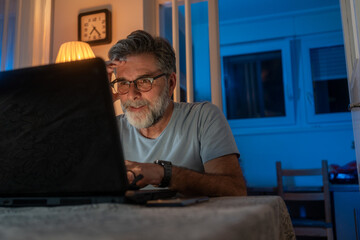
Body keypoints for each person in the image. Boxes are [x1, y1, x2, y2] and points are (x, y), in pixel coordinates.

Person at [106, 30, 246, 196]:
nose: (131, 94)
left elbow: (235, 190)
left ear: (170, 83)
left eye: (144, 81)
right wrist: (96, 105)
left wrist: (163, 174)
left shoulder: (203, 117)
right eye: (123, 83)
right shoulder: (109, 129)